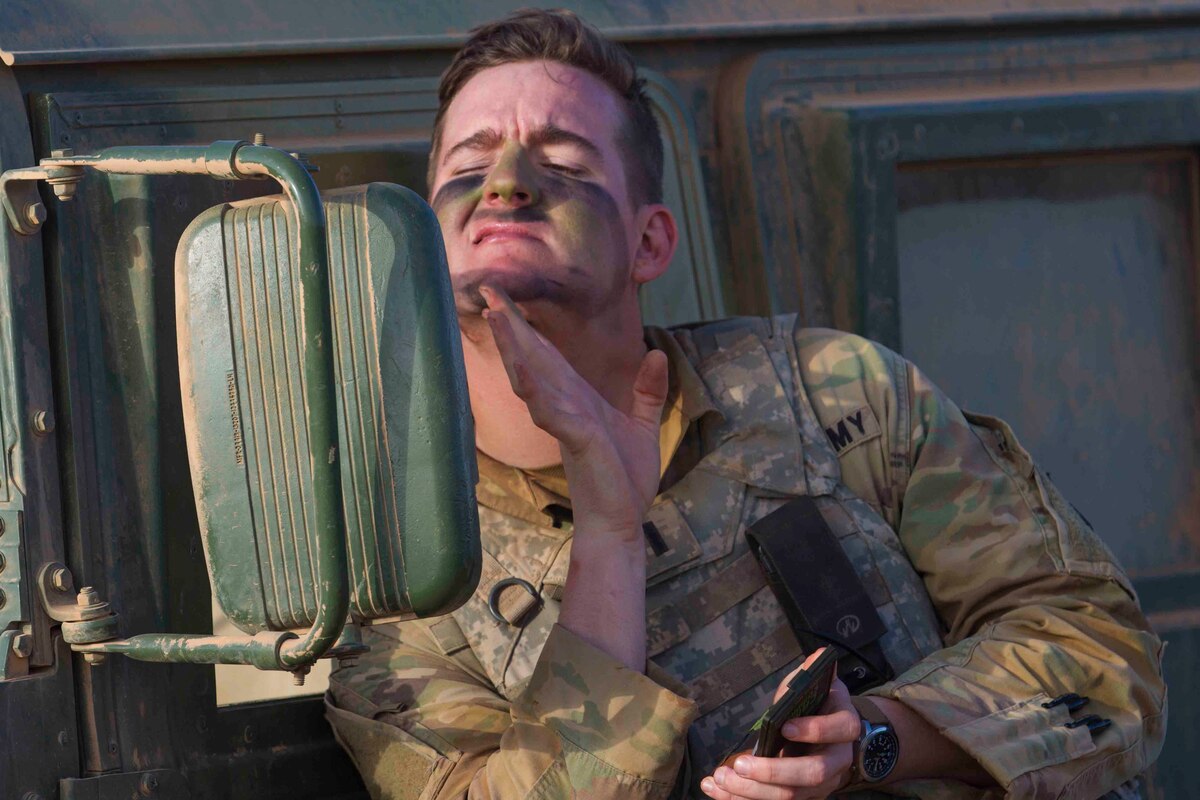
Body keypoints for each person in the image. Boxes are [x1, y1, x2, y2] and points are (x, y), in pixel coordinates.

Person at [324, 9, 1166, 799]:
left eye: (565, 164)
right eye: (468, 168)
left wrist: (876, 735)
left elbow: (1097, 651)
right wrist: (610, 535)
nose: (504, 186)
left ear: (649, 241)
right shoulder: (404, 585)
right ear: (425, 244)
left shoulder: (840, 398)